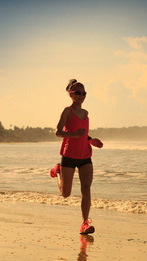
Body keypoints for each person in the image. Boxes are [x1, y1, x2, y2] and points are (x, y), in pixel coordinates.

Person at [50, 79, 103, 234]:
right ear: (71, 94)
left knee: (86, 188)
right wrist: (73, 135)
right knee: (66, 194)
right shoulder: (68, 111)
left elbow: (83, 134)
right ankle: (58, 171)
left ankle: (84, 223)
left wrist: (90, 140)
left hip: (85, 155)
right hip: (69, 156)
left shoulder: (85, 114)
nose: (81, 96)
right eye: (78, 93)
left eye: (84, 93)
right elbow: (58, 132)